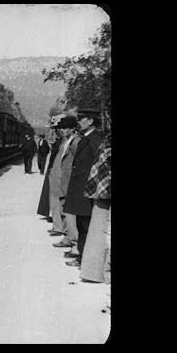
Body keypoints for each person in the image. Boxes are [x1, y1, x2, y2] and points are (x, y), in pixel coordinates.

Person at [63, 109, 103, 267]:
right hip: (80, 189)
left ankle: (85, 261)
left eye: (82, 119)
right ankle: (81, 257)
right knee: (81, 223)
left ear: (91, 121)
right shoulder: (88, 138)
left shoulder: (95, 139)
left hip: (86, 190)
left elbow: (98, 164)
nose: (78, 121)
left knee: (85, 225)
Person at [79, 132, 111, 282]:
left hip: (102, 190)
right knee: (101, 231)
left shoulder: (105, 141)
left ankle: (94, 272)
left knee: (98, 230)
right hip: (103, 190)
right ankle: (97, 272)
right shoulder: (106, 141)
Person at [48, 116, 79, 238]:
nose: (62, 130)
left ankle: (67, 233)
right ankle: (60, 229)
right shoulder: (65, 141)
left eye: (65, 128)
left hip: (66, 177)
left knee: (65, 206)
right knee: (59, 204)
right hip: (58, 176)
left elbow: (77, 159)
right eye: (61, 128)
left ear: (72, 129)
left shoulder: (75, 141)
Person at [37, 121, 63, 220]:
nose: (56, 131)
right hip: (52, 168)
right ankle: (51, 214)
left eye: (57, 129)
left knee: (54, 194)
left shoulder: (61, 141)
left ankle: (54, 216)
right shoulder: (59, 140)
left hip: (55, 169)